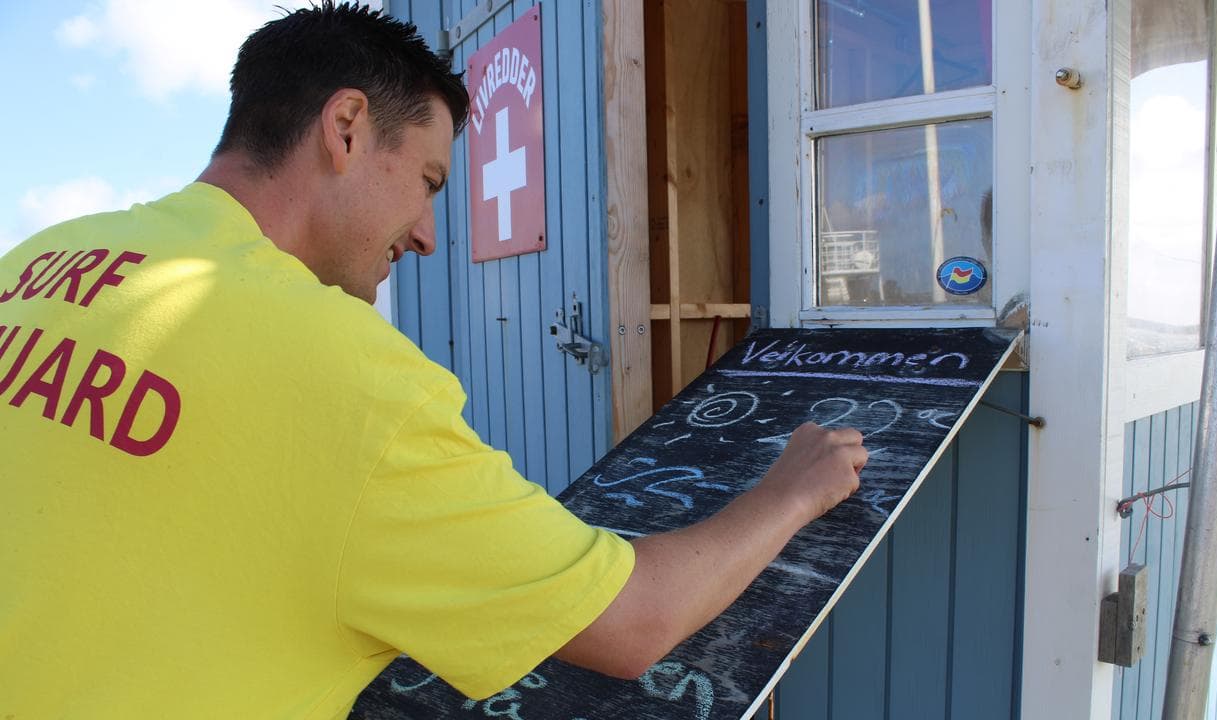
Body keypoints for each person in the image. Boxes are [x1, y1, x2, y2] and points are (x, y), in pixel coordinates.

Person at [0, 3, 866, 718]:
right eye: (427, 181)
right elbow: (634, 623)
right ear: (345, 127)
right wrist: (791, 491)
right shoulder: (350, 376)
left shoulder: (42, 259)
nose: (425, 232)